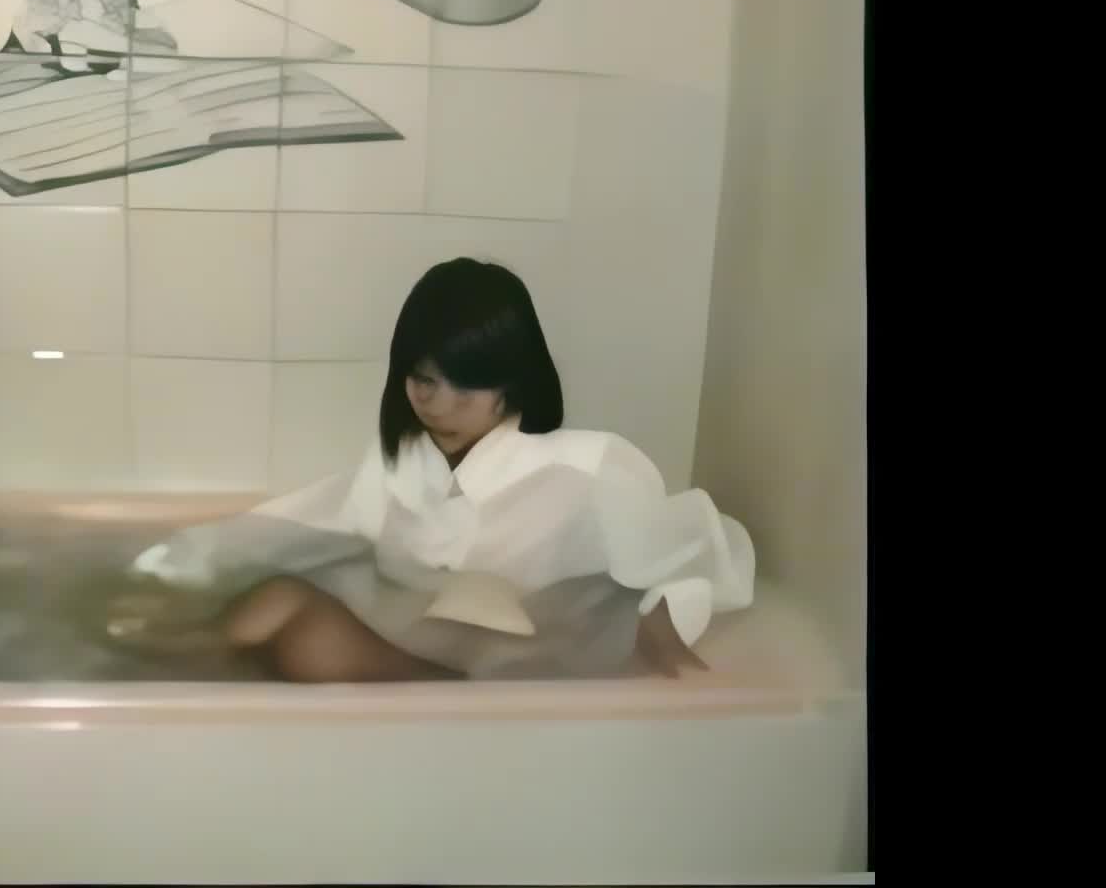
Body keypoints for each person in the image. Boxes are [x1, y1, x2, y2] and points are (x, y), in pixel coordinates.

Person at [129, 257, 756, 683]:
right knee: (271, 602)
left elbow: (700, 548)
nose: (439, 406)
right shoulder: (405, 467)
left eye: (467, 386)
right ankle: (149, 681)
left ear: (513, 383)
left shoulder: (589, 470)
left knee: (305, 640)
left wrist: (666, 627)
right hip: (425, 647)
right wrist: (177, 557)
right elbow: (305, 520)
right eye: (424, 380)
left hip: (508, 687)